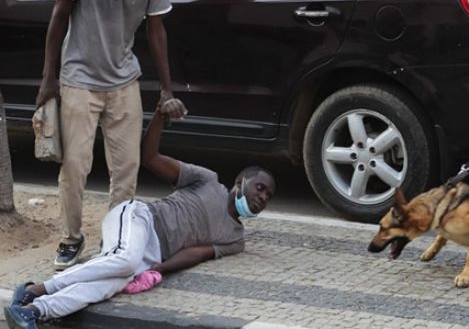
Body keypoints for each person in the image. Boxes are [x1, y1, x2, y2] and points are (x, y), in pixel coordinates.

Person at [3, 102, 276, 329]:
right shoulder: (208, 181)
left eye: (268, 196)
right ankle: (37, 289)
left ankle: (34, 311)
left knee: (106, 287)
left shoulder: (236, 238)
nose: (262, 197)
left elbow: (197, 253)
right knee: (125, 259)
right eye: (260, 188)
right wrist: (159, 116)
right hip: (138, 218)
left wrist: (158, 270)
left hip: (151, 255)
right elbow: (150, 157)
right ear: (241, 180)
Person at [35, 0, 187, 269]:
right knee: (75, 166)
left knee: (126, 168)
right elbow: (58, 21)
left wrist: (167, 89)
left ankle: (116, 236)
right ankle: (71, 238)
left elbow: (156, 31)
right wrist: (48, 79)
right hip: (79, 80)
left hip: (123, 81)